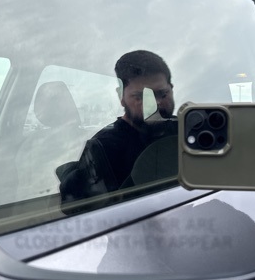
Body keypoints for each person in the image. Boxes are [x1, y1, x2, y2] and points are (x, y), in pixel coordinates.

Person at [60, 50, 177, 202]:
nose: (155, 104)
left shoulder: (191, 129)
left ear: (171, 88)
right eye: (140, 97)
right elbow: (78, 207)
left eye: (162, 94)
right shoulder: (102, 149)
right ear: (121, 97)